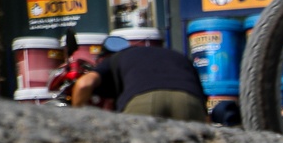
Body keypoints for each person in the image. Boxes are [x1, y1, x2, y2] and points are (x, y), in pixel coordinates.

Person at [71, 35, 208, 122]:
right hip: (189, 100)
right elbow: (205, 107)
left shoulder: (117, 58)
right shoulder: (176, 56)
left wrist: (76, 118)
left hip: (143, 100)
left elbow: (84, 84)